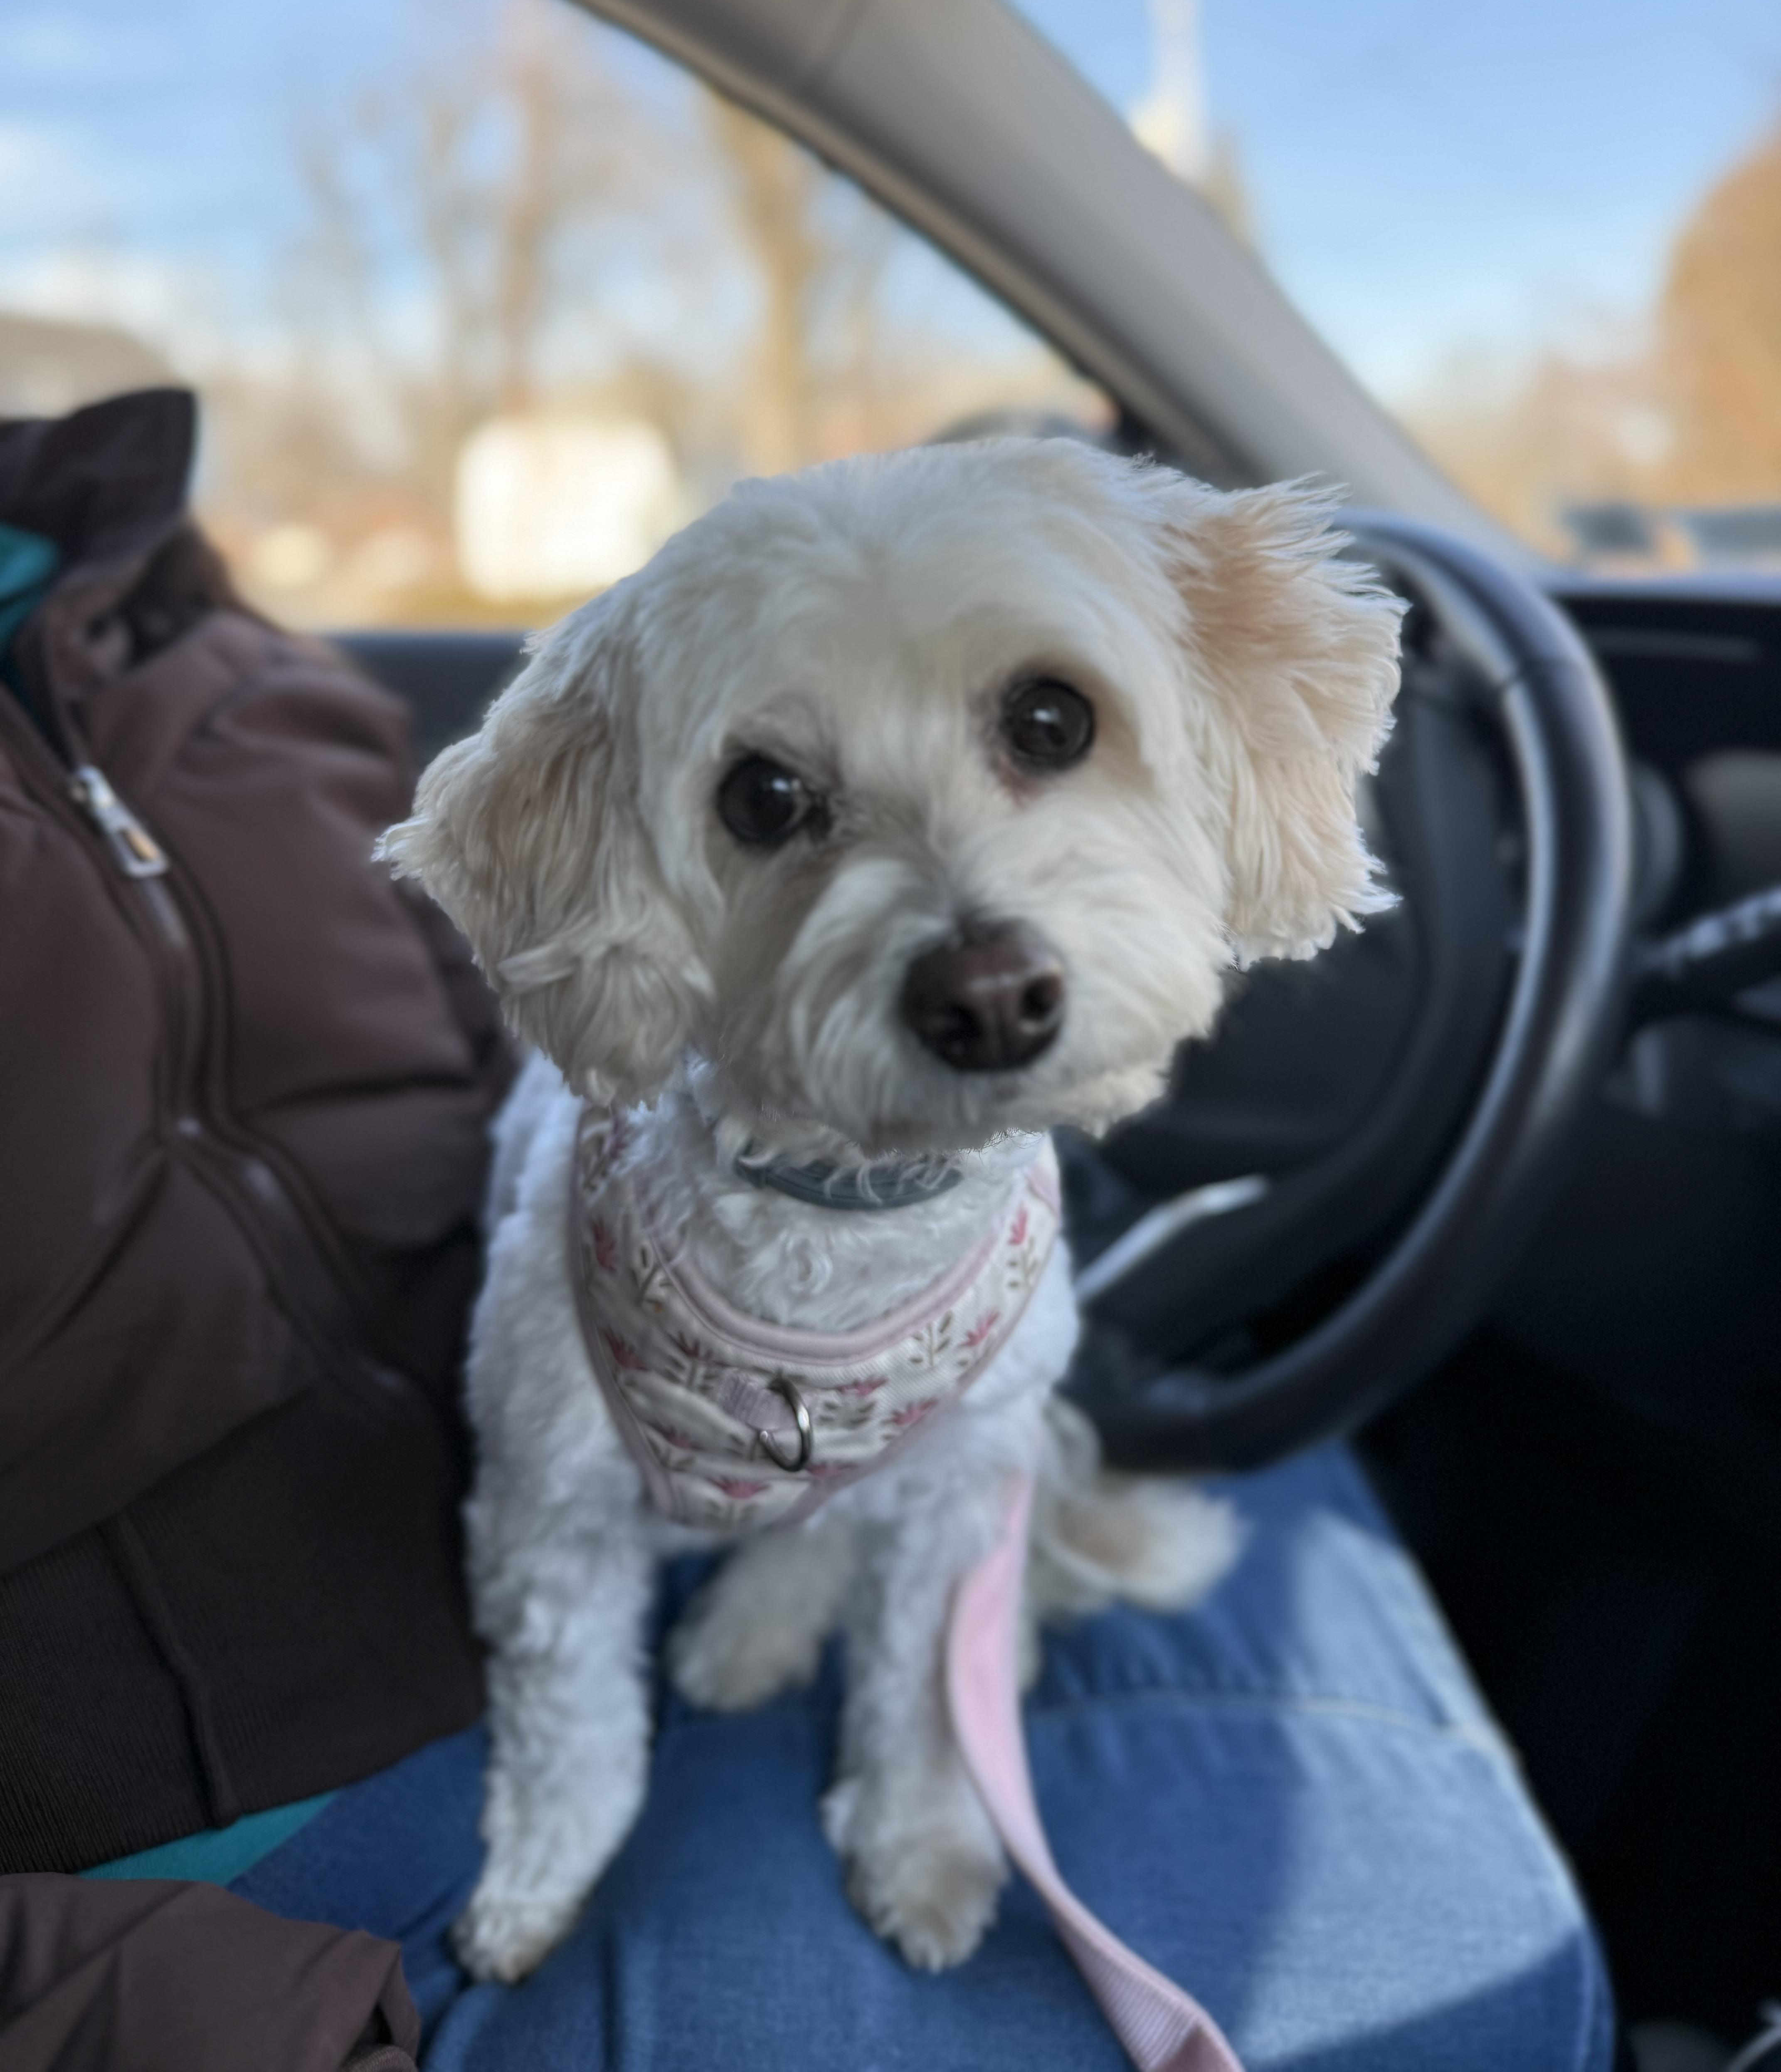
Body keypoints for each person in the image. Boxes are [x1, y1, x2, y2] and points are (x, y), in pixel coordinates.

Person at [0, 392, 1615, 2072]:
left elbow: (962, 1503)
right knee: (575, 1519)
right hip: (337, 1593)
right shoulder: (573, 1281)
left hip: (812, 1384)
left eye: (1044, 725)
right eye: (774, 802)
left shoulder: (1010, 1265)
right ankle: (598, 1775)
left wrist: (924, 1796)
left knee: (963, 1486)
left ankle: (887, 1730)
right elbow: (550, 1537)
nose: (978, 951)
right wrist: (565, 1796)